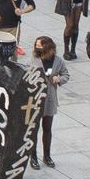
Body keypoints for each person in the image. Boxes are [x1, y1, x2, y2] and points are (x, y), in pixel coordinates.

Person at [31, 36, 67, 168]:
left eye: (40, 45)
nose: (37, 48)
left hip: (50, 98)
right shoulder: (35, 59)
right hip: (35, 98)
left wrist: (59, 79)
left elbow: (66, 74)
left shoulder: (58, 61)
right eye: (36, 46)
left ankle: (47, 156)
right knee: (33, 130)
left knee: (47, 128)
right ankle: (33, 157)